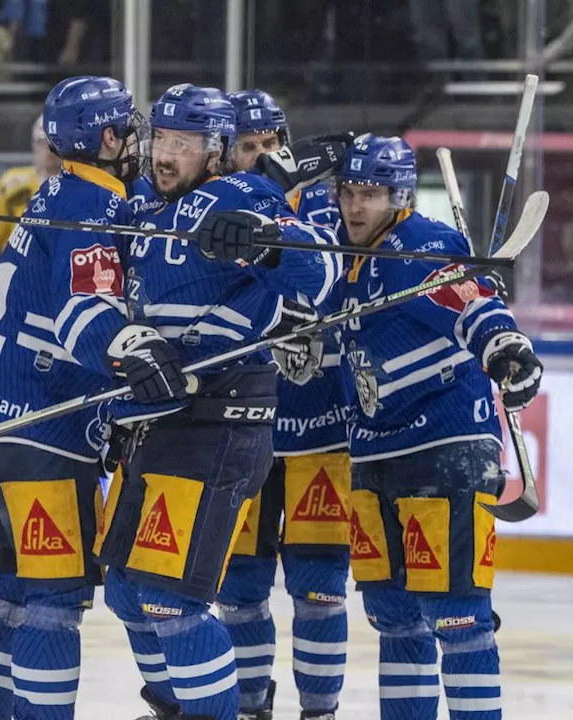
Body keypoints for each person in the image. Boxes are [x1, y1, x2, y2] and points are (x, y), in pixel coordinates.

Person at [93, 83, 342, 720]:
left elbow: (321, 273)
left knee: (171, 600)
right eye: (163, 141)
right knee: (125, 591)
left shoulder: (244, 194)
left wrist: (264, 242)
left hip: (218, 423)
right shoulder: (144, 204)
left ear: (218, 151)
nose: (167, 156)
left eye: (185, 144)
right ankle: (175, 707)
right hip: (157, 424)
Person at [0, 75, 144, 720]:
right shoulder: (95, 209)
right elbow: (83, 316)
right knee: (53, 603)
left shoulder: (51, 193)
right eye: (129, 128)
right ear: (109, 137)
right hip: (43, 433)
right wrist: (140, 360)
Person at [334, 134, 542, 720]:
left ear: (399, 197)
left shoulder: (418, 245)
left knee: (457, 616)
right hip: (374, 454)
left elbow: (472, 304)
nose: (354, 206)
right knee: (393, 615)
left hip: (442, 450)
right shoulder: (351, 255)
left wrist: (506, 348)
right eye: (348, 191)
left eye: (370, 194)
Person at [217, 88, 348, 720]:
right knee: (239, 589)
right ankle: (249, 709)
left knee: (320, 589)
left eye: (272, 144)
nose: (263, 156)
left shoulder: (327, 202)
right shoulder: (213, 210)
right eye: (248, 146)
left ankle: (319, 713)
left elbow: (357, 277)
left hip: (320, 431)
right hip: (241, 431)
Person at [0, 115, 64, 266]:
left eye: (54, 143)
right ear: (34, 145)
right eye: (42, 142)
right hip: (17, 273)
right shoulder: (12, 184)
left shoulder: (80, 187)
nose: (48, 150)